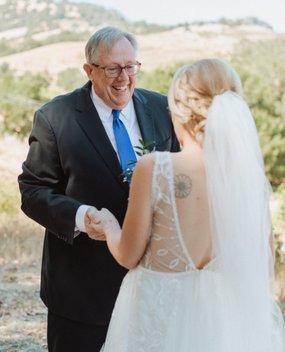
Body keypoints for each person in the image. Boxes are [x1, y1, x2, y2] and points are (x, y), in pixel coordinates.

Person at [93, 59, 285, 351]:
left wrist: (109, 226)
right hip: (224, 326)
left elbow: (128, 255)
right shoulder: (248, 180)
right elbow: (263, 259)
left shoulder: (155, 168)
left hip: (157, 321)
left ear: (179, 111)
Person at [18, 26, 179, 352]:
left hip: (151, 284)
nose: (124, 78)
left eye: (131, 66)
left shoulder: (163, 109)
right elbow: (32, 190)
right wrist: (80, 216)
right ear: (89, 70)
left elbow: (178, 175)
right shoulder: (55, 117)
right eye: (112, 69)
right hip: (80, 291)